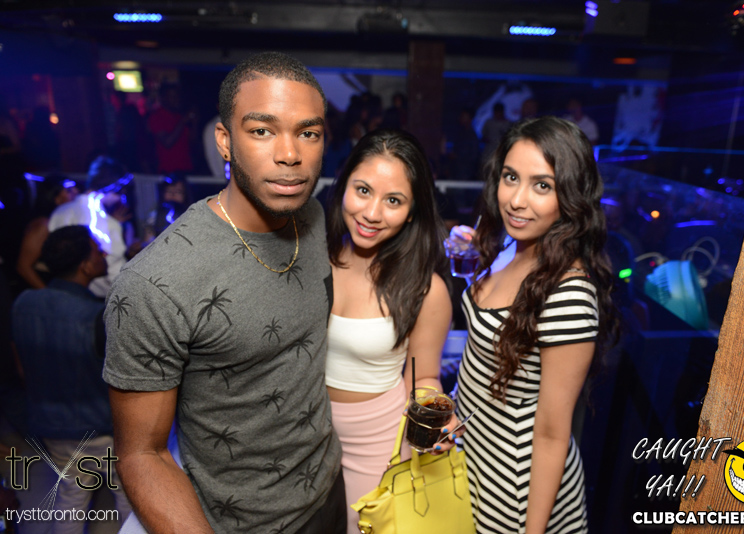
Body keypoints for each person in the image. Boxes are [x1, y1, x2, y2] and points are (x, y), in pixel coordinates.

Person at [102, 51, 345, 534]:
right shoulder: (155, 284)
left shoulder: (314, 218)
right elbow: (142, 455)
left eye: (308, 133)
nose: (290, 154)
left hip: (328, 491)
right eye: (262, 131)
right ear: (225, 142)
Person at [452, 117, 616, 533]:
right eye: (511, 177)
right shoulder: (514, 244)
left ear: (570, 196)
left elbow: (551, 434)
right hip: (475, 459)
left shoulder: (568, 296)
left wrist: (533, 530)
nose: (516, 200)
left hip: (515, 493)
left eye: (541, 185)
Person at [325, 129, 453, 532]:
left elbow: (424, 376)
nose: (372, 212)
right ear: (344, 185)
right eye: (363, 190)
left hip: (377, 446)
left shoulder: (425, 289)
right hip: (302, 436)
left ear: (412, 212)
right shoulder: (308, 258)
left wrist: (433, 417)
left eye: (393, 200)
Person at [12, 225, 132, 533]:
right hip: (100, 429)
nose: (104, 253)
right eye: (97, 250)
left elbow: (22, 368)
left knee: (70, 499)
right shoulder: (95, 315)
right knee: (129, 502)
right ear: (85, 266)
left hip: (51, 428)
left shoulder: (23, 303)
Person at [48, 156, 133, 298]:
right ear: (113, 188)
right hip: (98, 299)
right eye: (121, 192)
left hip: (62, 291)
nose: (122, 198)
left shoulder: (61, 211)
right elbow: (115, 272)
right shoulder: (107, 223)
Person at [16, 174, 79, 289]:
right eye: (69, 191)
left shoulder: (65, 221)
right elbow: (23, 267)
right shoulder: (43, 225)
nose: (76, 192)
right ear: (56, 198)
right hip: (40, 287)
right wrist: (48, 294)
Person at [147, 83, 195, 173]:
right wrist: (182, 122)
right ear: (163, 98)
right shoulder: (156, 116)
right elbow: (167, 143)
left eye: (177, 96)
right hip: (168, 169)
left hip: (186, 167)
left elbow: (191, 141)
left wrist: (195, 123)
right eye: (172, 96)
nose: (176, 99)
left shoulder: (179, 115)